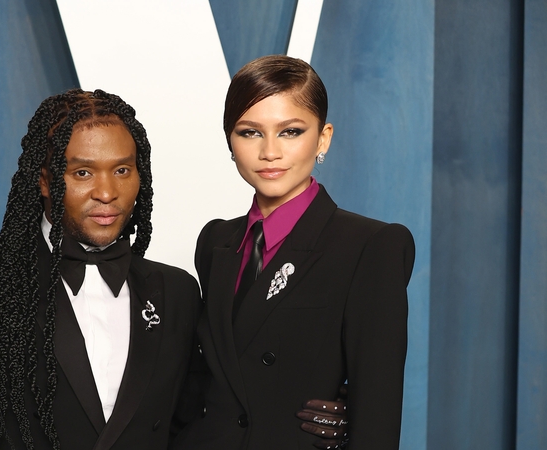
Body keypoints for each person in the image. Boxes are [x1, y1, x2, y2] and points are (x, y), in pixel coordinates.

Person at [0, 88, 348, 450]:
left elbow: (219, 408)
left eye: (122, 170)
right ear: (43, 180)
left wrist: (341, 415)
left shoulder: (175, 292)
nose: (107, 192)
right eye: (82, 173)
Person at [171, 55, 415, 449]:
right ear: (230, 140)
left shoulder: (370, 246)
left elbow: (378, 419)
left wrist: (350, 422)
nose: (270, 152)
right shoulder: (216, 241)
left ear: (323, 138)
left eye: (290, 131)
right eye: (250, 132)